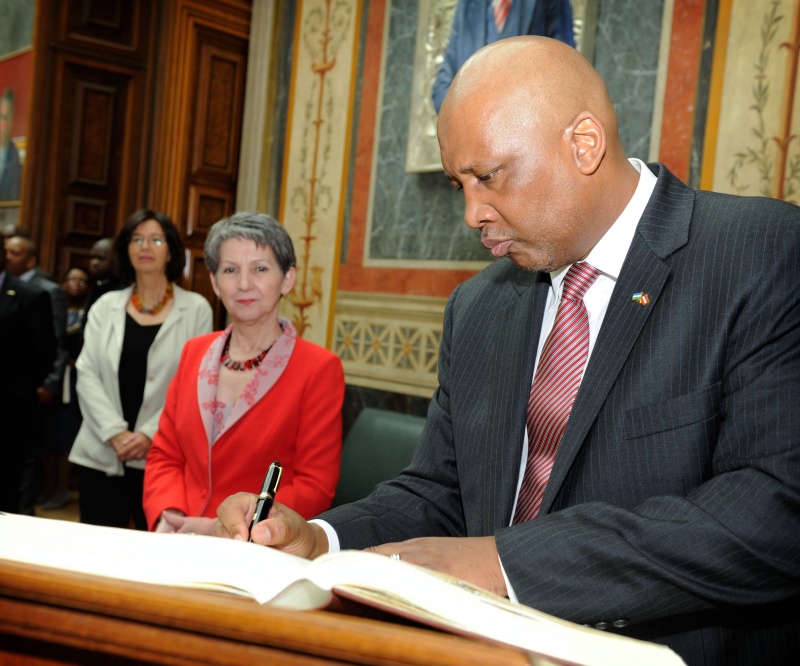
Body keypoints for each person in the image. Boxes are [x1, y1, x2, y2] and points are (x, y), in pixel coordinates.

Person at [214, 37, 800, 666]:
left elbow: (773, 512)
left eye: (489, 177)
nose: (472, 213)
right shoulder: (479, 305)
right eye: (459, 184)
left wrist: (506, 564)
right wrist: (320, 539)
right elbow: (441, 491)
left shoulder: (759, 252)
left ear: (584, 144)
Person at [143, 212, 345, 533]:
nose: (244, 284)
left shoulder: (319, 369)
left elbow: (315, 486)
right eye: (230, 270)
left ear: (287, 279)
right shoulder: (194, 352)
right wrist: (167, 514)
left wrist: (225, 527)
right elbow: (165, 455)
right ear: (214, 282)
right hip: (178, 534)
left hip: (259, 544)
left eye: (260, 269)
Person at [69, 209, 213, 529]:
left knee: (155, 548)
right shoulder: (105, 306)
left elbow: (194, 384)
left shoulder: (196, 309)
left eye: (156, 240)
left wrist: (148, 434)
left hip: (163, 457)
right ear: (126, 249)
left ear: (172, 251)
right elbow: (87, 372)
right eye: (137, 239)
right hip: (102, 450)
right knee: (97, 547)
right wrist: (115, 432)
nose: (145, 246)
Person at [4, 234, 69, 513]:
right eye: (8, 251)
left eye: (15, 252)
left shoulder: (43, 291)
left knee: (25, 460)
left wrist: (48, 383)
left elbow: (54, 343)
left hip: (23, 395)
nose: (9, 256)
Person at [431, 0, 574, 113]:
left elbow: (564, 71)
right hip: (467, 128)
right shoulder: (467, 4)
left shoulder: (550, 3)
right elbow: (443, 82)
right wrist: (463, 118)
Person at [42, 268, 91, 510]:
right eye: (72, 279)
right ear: (63, 282)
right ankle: (49, 486)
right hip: (52, 379)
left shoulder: (90, 313)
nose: (76, 284)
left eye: (82, 280)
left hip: (74, 381)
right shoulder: (54, 308)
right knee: (48, 435)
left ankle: (62, 489)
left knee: (66, 435)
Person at [0, 87, 21, 201]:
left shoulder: (14, 156)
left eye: (7, 117)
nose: (4, 123)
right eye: (1, 117)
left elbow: (14, 198)